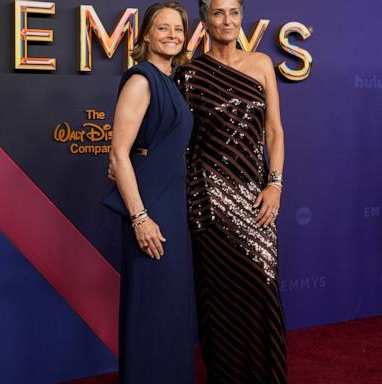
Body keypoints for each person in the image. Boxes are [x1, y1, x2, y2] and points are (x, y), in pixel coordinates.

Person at [174, 0, 288, 382]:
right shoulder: (189, 73)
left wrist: (274, 184)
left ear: (241, 18)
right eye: (218, 13)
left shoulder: (261, 65)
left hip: (256, 200)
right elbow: (181, 143)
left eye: (234, 12)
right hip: (208, 200)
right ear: (205, 20)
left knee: (262, 287)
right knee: (219, 296)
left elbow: (275, 131)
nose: (227, 20)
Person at [104, 3, 196, 383]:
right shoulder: (141, 79)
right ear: (146, 35)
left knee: (171, 308)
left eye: (179, 28)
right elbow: (118, 153)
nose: (173, 34)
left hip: (173, 204)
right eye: (164, 28)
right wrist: (139, 217)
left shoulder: (172, 79)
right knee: (151, 308)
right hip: (150, 208)